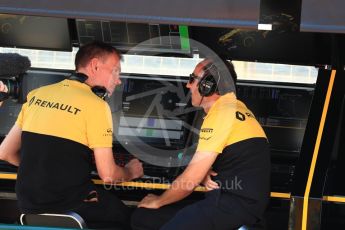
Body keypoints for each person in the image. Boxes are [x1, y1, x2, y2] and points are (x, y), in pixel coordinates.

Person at [0, 41, 143, 230]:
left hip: (29, 206)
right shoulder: (96, 105)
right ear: (95, 65)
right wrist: (132, 171)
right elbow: (108, 175)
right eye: (116, 71)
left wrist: (46, 168)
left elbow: (5, 153)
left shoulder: (37, 94)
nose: (118, 80)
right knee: (134, 218)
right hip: (71, 206)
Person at [131, 58, 270, 230]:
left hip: (231, 206)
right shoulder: (235, 107)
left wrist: (158, 201)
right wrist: (203, 173)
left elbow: (190, 180)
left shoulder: (221, 114)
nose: (188, 85)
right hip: (234, 203)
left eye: (192, 79)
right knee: (143, 218)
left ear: (208, 85)